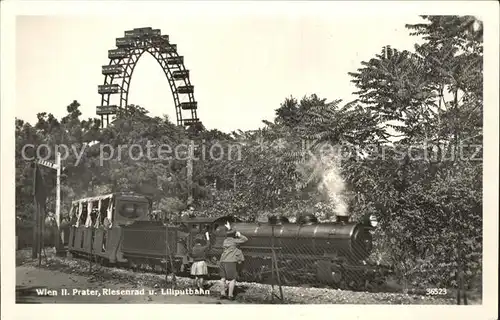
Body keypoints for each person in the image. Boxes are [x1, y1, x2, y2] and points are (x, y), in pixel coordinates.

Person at [219, 222, 248, 300]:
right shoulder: (234, 241)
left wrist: (230, 229)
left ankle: (222, 294)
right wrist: (239, 234)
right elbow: (245, 239)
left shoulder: (225, 241)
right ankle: (230, 295)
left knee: (223, 278)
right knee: (232, 279)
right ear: (234, 235)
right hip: (230, 261)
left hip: (222, 261)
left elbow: (230, 234)